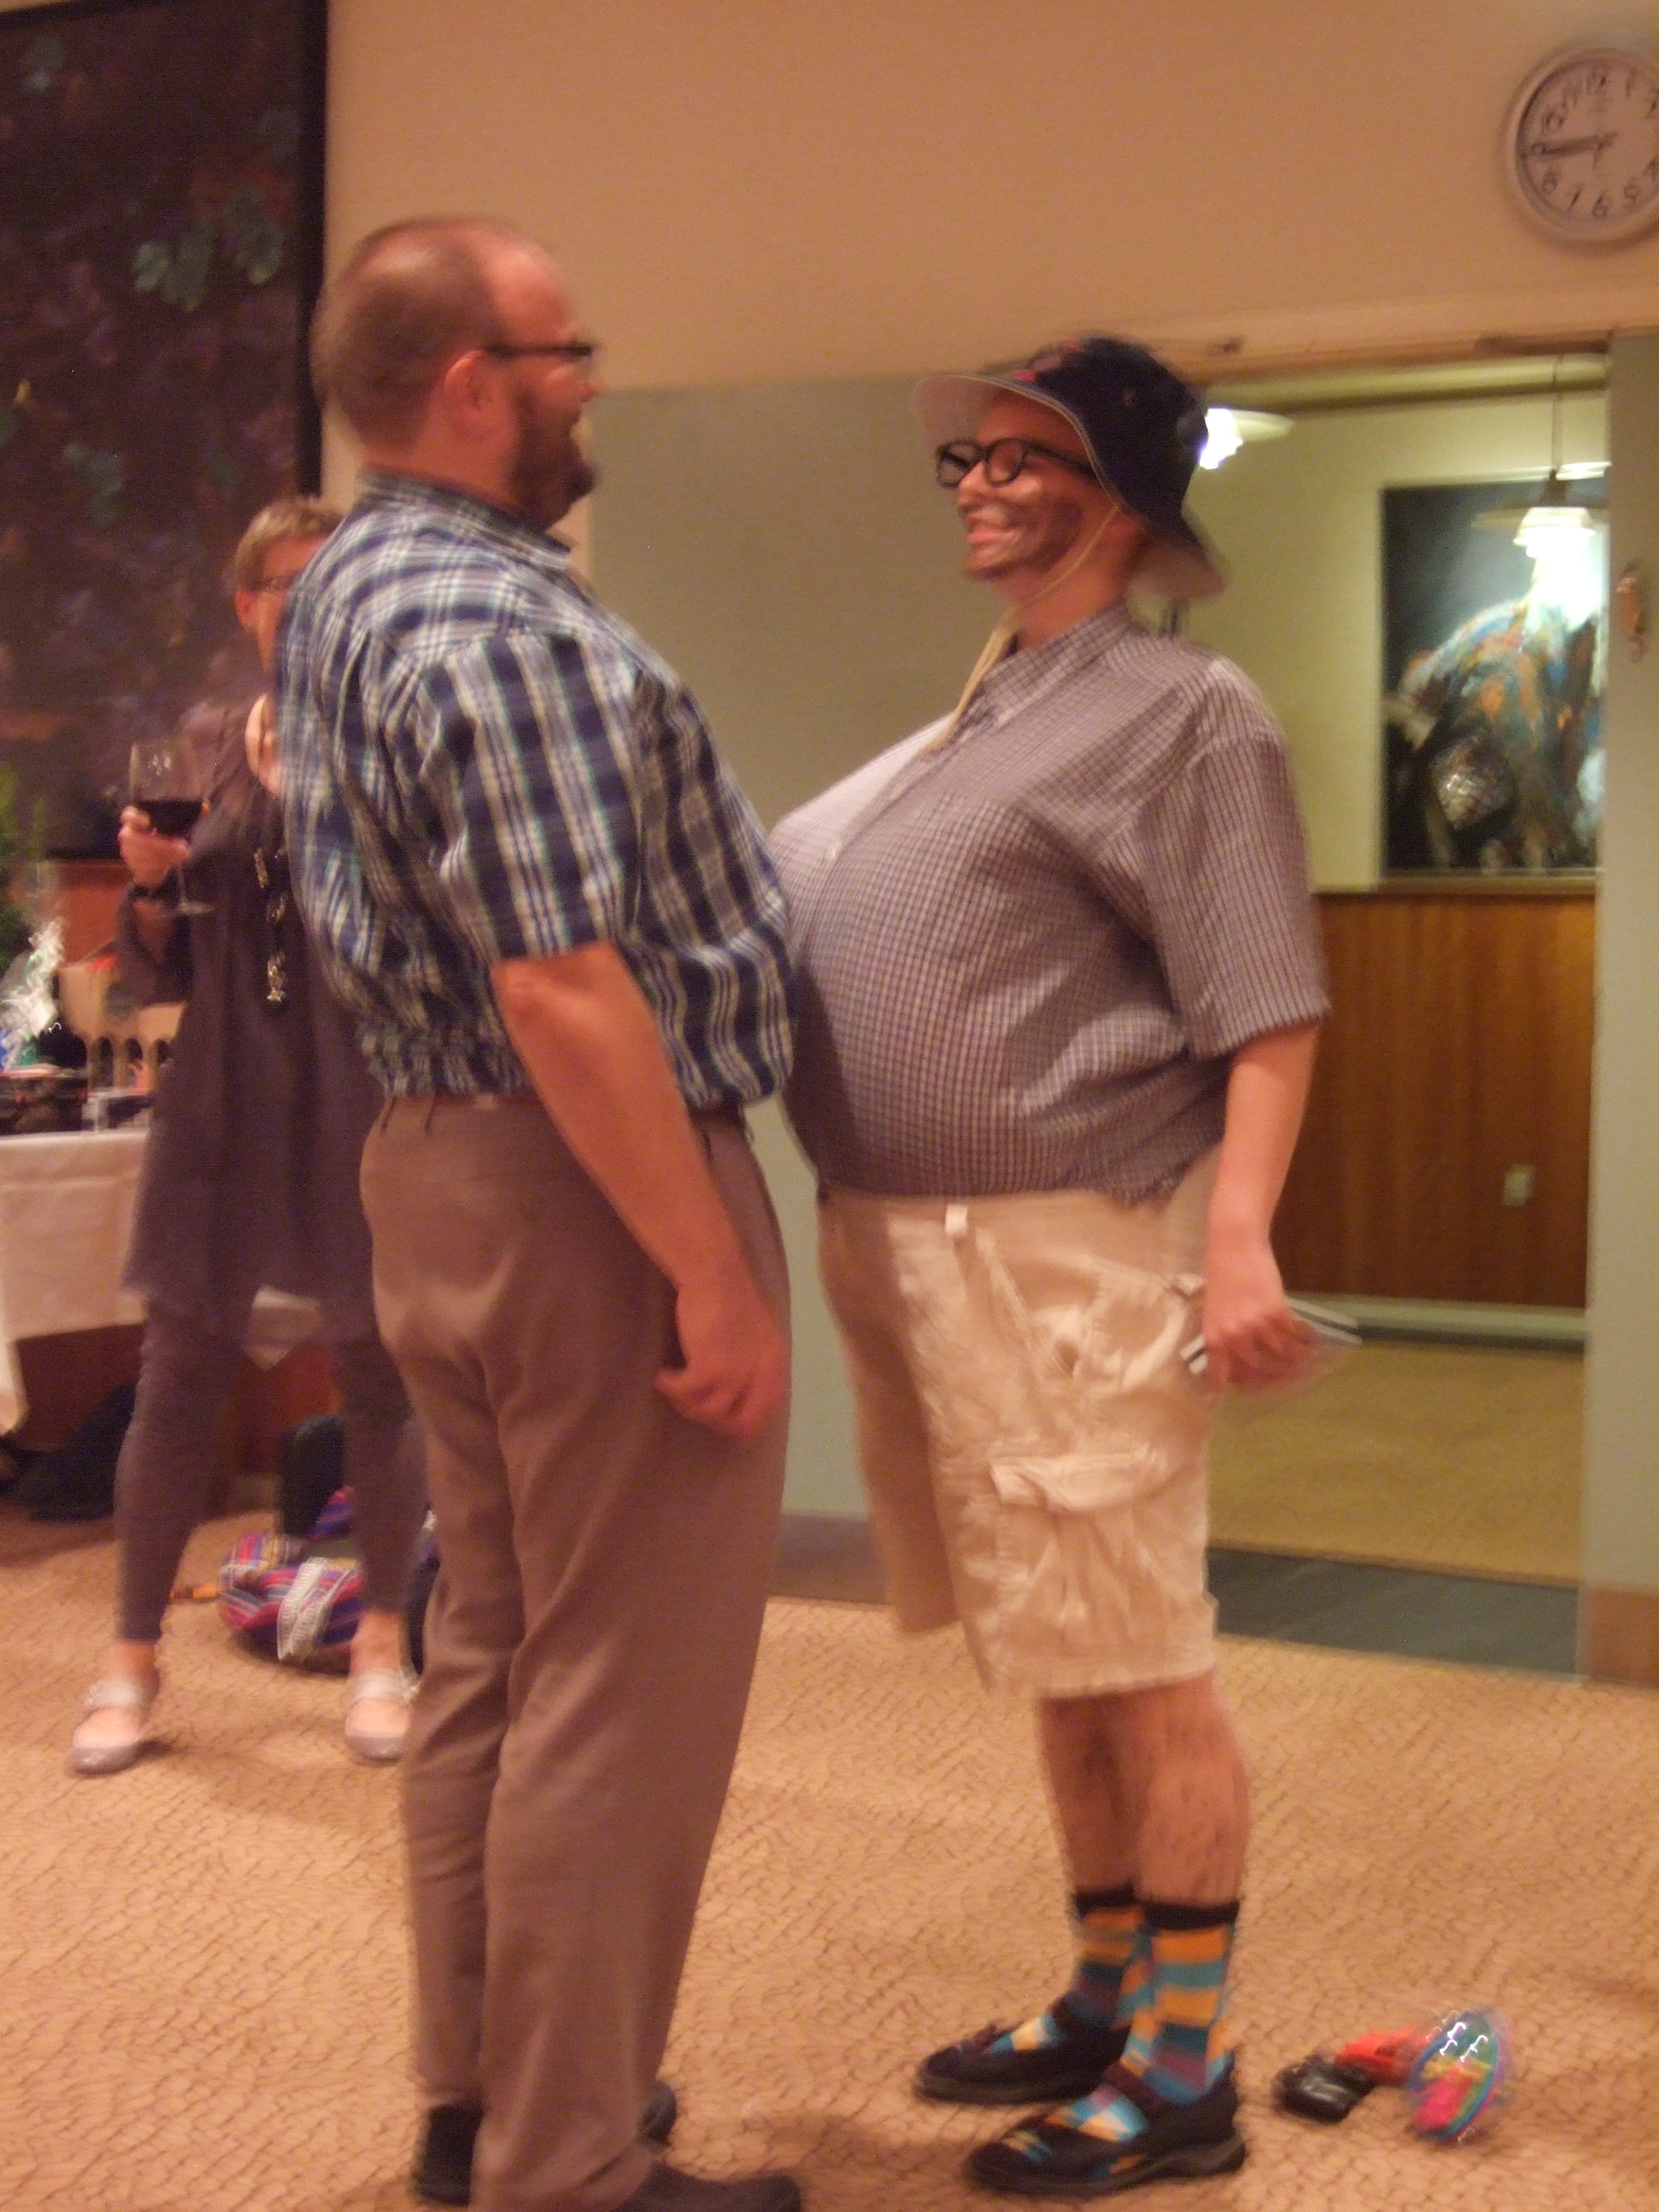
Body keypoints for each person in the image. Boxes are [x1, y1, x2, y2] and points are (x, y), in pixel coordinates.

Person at [770, 337, 1330, 2197]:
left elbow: (1267, 1003)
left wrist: (1238, 1243)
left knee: (1145, 1654)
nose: (984, 481)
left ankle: (1183, 2069)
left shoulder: (1188, 712)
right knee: (1063, 1651)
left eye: (1030, 455)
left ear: (1128, 493)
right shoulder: (1000, 699)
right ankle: (1105, 1993)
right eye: (975, 458)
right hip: (925, 1247)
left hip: (1074, 1250)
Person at [280, 221, 798, 2212]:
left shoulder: (346, 584)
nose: (591, 384)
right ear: (471, 385)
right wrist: (707, 1272)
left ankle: (480, 2102)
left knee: (496, 1654)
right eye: (566, 351)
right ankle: (569, 2158)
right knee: (615, 1687)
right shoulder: (504, 623)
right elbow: (565, 985)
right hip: (583, 1185)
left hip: (435, 1170)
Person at [69, 496, 430, 1778]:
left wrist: (311, 801)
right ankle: (130, 1660)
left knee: (378, 1372)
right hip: (223, 1094)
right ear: (249, 606)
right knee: (178, 1371)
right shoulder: (212, 743)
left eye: (339, 580)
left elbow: (418, 925)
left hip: (357, 1087)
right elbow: (160, 972)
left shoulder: (397, 742)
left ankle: (380, 1646)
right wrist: (152, 891)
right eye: (291, 584)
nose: (316, 603)